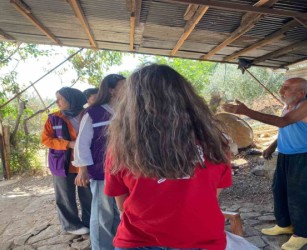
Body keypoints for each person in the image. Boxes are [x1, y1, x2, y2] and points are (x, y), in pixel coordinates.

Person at [104, 64, 232, 250]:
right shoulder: (215, 142)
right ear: (187, 96)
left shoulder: (121, 148)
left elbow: (122, 205)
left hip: (138, 241)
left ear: (132, 103)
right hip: (201, 240)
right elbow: (213, 193)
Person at [222, 77, 307, 250]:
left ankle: (302, 234)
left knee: (299, 195)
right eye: (282, 87)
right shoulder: (288, 107)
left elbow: (282, 122)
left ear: (300, 93)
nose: (282, 91)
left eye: (286, 88)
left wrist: (247, 111)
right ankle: (284, 225)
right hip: (286, 155)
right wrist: (272, 145)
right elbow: (286, 127)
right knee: (279, 190)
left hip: (305, 157)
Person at [74, 74, 126, 250]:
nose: (127, 90)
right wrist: (82, 170)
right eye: (122, 86)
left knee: (121, 212)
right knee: (103, 213)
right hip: (101, 170)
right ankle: (101, 247)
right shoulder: (93, 113)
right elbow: (82, 143)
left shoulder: (127, 110)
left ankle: (119, 244)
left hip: (126, 170)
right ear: (111, 90)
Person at [41, 87, 92, 235]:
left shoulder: (87, 115)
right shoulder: (54, 118)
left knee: (88, 194)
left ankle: (89, 222)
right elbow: (46, 140)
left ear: (72, 99)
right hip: (62, 163)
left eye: (60, 98)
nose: (57, 102)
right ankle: (71, 225)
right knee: (64, 195)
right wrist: (67, 144)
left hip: (85, 162)